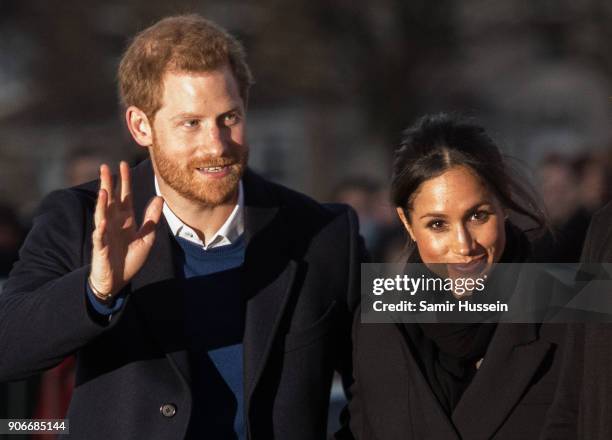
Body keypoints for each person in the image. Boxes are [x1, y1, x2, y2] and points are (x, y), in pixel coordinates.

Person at [0, 15, 364, 439]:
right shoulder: (78, 220)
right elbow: (9, 348)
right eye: (191, 123)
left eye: (229, 118)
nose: (215, 145)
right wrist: (96, 291)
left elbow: (384, 385)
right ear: (141, 126)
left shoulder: (325, 233)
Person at [349, 114, 569, 439]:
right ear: (408, 223)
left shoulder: (576, 300)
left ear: (504, 203)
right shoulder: (379, 319)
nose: (464, 245)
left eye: (478, 216)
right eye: (437, 224)